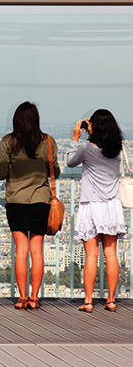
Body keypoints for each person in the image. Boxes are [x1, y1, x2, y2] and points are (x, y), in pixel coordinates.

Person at [0, 102, 59, 311]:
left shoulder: (8, 142)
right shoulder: (48, 142)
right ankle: (34, 297)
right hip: (41, 200)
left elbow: (1, 173)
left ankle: (22, 297)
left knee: (21, 251)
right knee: (37, 251)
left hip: (16, 200)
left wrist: (11, 162)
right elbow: (55, 171)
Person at [66, 109, 128, 313]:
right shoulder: (117, 149)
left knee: (91, 255)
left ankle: (89, 300)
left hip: (91, 204)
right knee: (111, 254)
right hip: (111, 205)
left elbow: (70, 162)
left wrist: (75, 137)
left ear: (94, 126)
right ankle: (111, 300)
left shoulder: (86, 148)